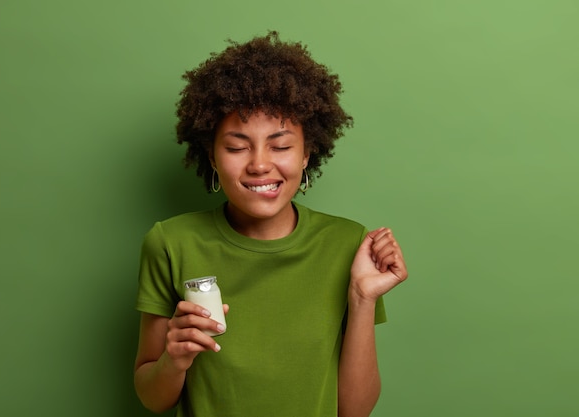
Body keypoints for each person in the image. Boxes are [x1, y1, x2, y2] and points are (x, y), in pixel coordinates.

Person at [133, 31, 408, 417]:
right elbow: (152, 397)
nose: (260, 164)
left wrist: (363, 299)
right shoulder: (171, 242)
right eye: (236, 146)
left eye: (280, 146)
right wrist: (174, 360)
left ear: (307, 153)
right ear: (211, 156)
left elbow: (355, 410)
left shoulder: (348, 244)